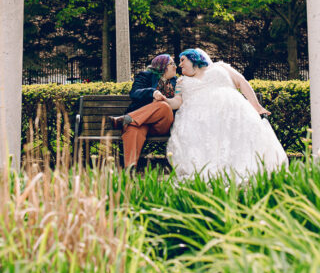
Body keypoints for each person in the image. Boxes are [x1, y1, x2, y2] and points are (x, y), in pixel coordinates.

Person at [160, 48, 287, 181]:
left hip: (232, 112)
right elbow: (178, 101)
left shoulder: (220, 67)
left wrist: (257, 107)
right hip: (202, 120)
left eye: (182, 60)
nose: (179, 65)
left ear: (194, 58)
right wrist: (166, 101)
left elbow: (242, 82)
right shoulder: (181, 82)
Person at [109, 54, 178, 168]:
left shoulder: (176, 81)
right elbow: (134, 93)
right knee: (132, 128)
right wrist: (152, 92)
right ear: (162, 66)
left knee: (164, 106)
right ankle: (130, 169)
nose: (175, 67)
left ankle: (126, 119)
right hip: (141, 122)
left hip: (162, 124)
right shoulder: (145, 76)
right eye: (172, 64)